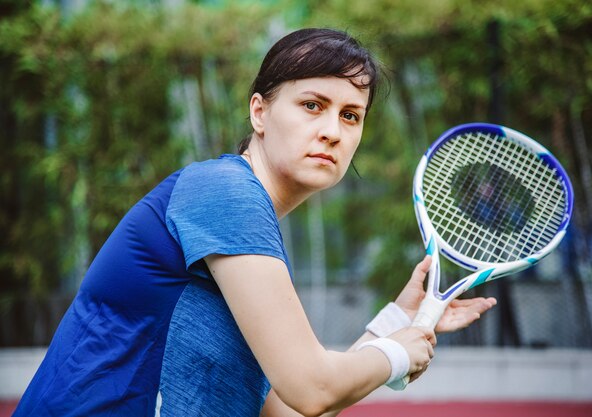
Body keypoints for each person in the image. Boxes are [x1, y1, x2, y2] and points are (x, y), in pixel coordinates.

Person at [13, 28, 496, 417]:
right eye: (312, 105)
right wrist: (399, 355)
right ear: (259, 111)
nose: (332, 130)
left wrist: (398, 321)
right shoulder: (224, 193)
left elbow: (292, 407)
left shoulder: (246, 234)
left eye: (351, 116)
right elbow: (313, 389)